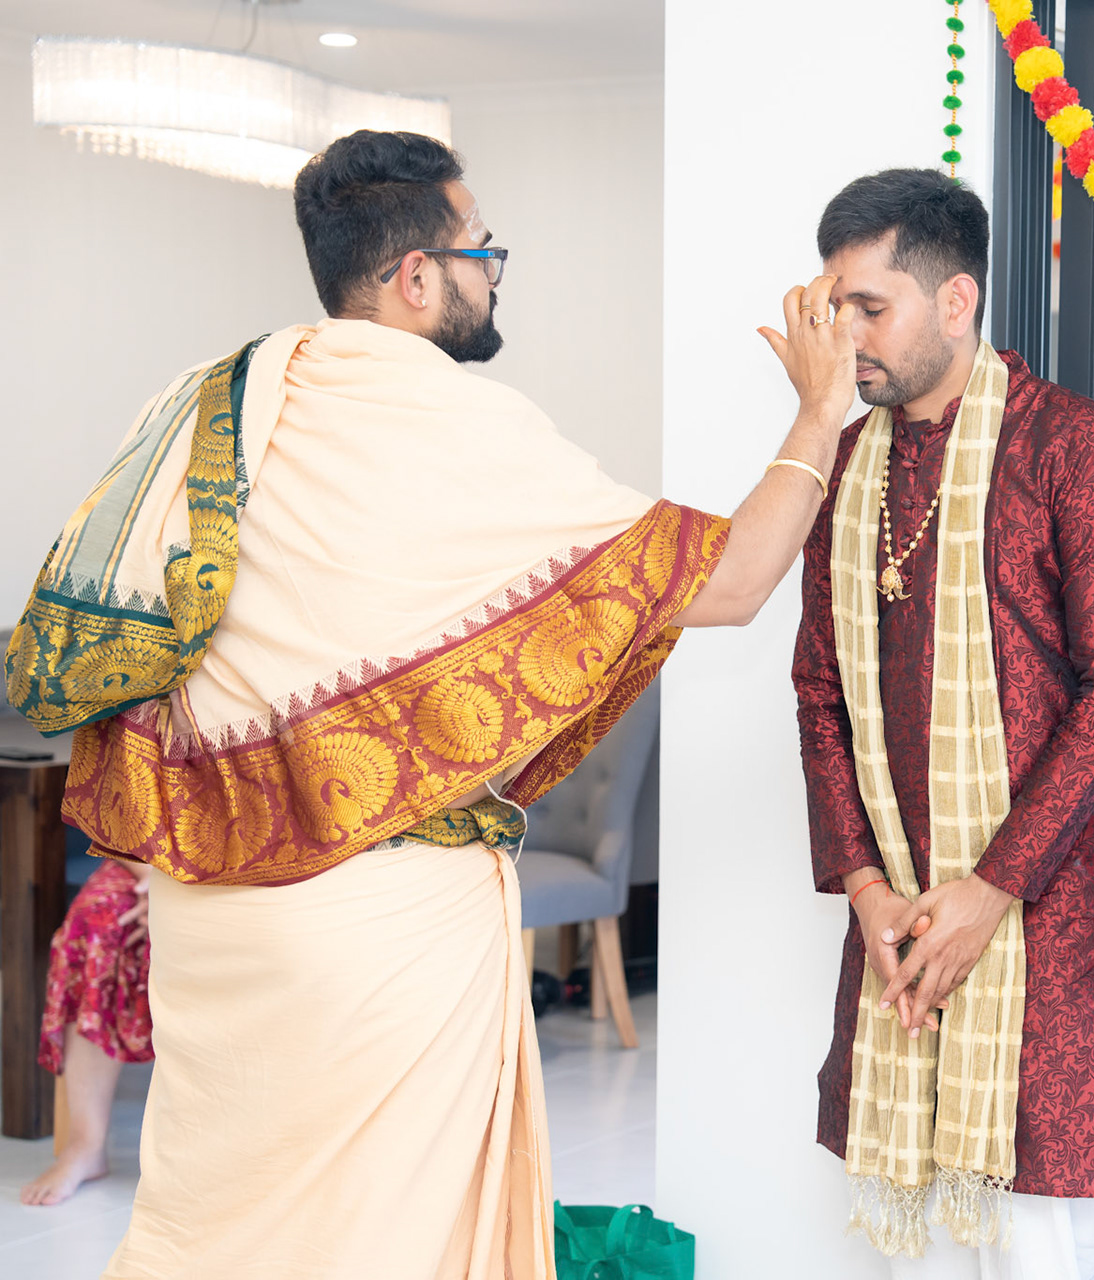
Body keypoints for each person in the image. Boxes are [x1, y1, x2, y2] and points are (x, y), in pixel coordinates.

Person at [4, 129, 853, 1277]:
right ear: (416, 274)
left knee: (219, 1225)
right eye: (481, 249)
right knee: (388, 1236)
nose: (493, 273)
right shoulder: (452, 420)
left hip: (210, 914)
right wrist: (819, 410)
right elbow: (737, 579)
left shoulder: (207, 400)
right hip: (381, 925)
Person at [792, 168, 1094, 1280]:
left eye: (871, 307)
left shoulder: (1074, 449)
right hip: (899, 924)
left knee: (1046, 1246)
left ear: (956, 300)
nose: (845, 336)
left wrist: (991, 889)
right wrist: (868, 889)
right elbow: (818, 689)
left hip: (1055, 932)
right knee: (913, 1252)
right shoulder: (844, 466)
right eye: (834, 306)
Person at [20, 859, 153, 1206]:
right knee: (95, 920)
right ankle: (86, 1143)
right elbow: (119, 823)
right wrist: (151, 880)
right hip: (148, 856)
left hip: (257, 866)